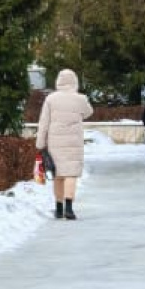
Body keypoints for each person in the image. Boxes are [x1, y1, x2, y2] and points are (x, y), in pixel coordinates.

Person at [35, 68, 94, 220]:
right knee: (70, 175)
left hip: (55, 142)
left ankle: (59, 208)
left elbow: (43, 122)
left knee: (58, 176)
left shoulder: (51, 99)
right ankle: (69, 207)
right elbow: (89, 112)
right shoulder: (80, 98)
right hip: (74, 143)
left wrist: (40, 143)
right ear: (75, 81)